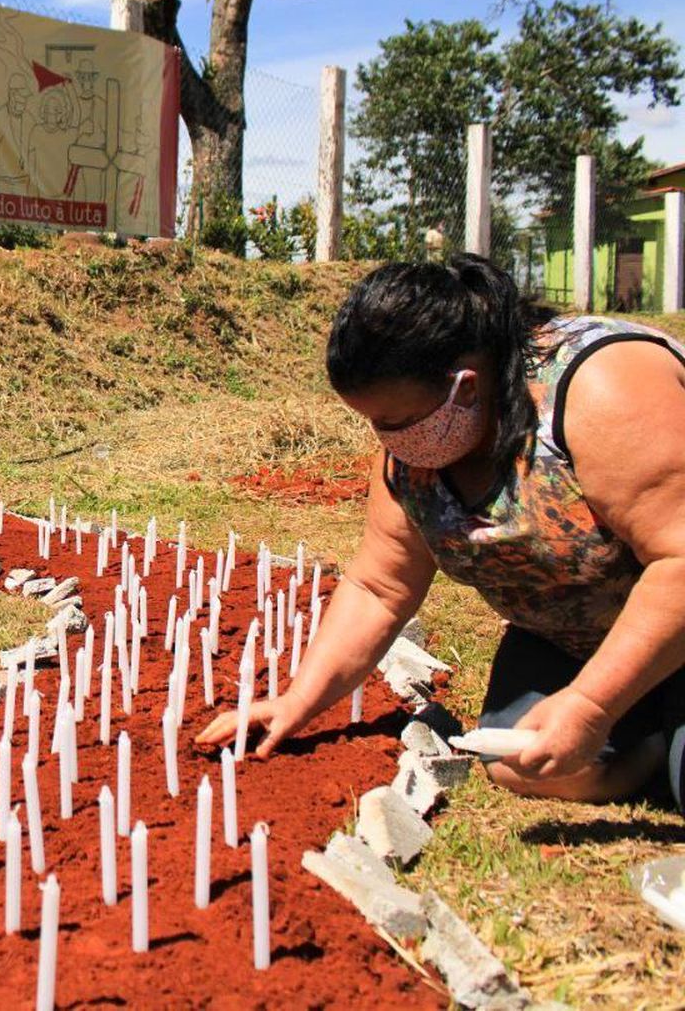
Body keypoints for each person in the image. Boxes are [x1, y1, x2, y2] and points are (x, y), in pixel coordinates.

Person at [198, 255, 685, 812]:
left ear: (467, 387)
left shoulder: (602, 389)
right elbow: (380, 586)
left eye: (397, 422)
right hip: (574, 639)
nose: (386, 441)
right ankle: (650, 743)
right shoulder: (418, 448)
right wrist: (298, 701)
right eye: (374, 422)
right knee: (519, 760)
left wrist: (593, 706)